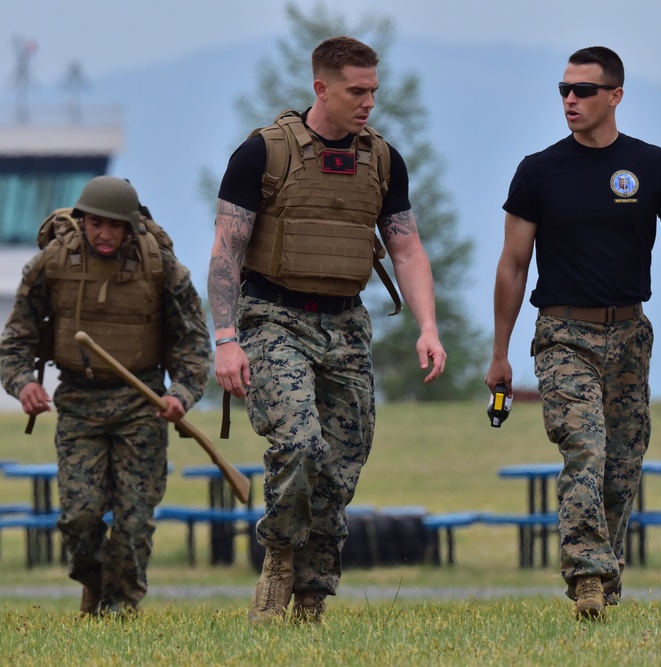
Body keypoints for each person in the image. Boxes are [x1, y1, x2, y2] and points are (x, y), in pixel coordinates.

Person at [209, 35, 446, 624]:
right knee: (299, 444)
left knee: (341, 464)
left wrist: (428, 327)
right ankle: (280, 557)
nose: (369, 101)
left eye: (373, 90)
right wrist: (225, 338)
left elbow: (407, 248)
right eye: (356, 91)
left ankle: (312, 596)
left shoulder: (383, 160)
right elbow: (226, 252)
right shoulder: (262, 153)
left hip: (345, 324)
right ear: (322, 88)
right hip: (272, 318)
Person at [485, 46, 661, 620]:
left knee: (622, 461)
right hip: (563, 333)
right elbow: (512, 265)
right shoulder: (538, 171)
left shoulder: (652, 165)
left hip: (631, 333)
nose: (570, 100)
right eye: (563, 90)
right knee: (584, 446)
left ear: (615, 96)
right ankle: (586, 573)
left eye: (583, 90)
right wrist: (500, 354)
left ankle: (606, 578)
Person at [0, 176, 212, 616]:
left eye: (115, 226)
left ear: (131, 227)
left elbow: (193, 342)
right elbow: (15, 339)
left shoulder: (161, 267)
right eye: (96, 224)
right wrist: (24, 384)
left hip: (143, 405)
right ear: (82, 221)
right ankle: (93, 584)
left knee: (135, 521)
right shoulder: (52, 263)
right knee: (80, 518)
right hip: (78, 403)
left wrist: (182, 394)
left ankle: (119, 610)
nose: (104, 235)